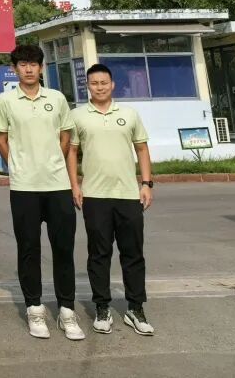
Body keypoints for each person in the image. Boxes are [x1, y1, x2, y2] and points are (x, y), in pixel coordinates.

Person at [0, 45, 84, 341]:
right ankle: (35, 309)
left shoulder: (56, 98)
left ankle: (67, 311)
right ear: (14, 68)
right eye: (23, 64)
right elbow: (0, 138)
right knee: (29, 249)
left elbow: (66, 134)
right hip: (24, 188)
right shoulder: (6, 101)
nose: (29, 69)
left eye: (33, 64)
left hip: (58, 185)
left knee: (63, 249)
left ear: (41, 68)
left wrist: (54, 159)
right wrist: (16, 165)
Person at [68, 63, 155, 336]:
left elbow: (142, 149)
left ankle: (135, 308)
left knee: (133, 253)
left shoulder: (129, 114)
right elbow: (72, 152)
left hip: (128, 194)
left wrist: (146, 184)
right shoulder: (77, 116)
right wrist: (75, 185)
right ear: (88, 86)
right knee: (99, 254)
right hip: (94, 195)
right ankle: (102, 307)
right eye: (94, 83)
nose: (100, 87)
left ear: (112, 84)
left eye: (104, 82)